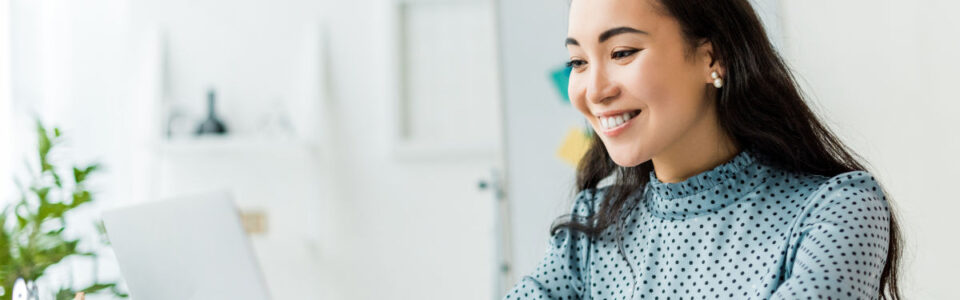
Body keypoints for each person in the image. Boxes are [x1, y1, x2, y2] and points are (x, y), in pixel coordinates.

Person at [503, 0, 902, 299]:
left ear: (713, 56)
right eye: (578, 61)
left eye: (622, 52)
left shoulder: (839, 210)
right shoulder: (593, 227)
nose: (594, 90)